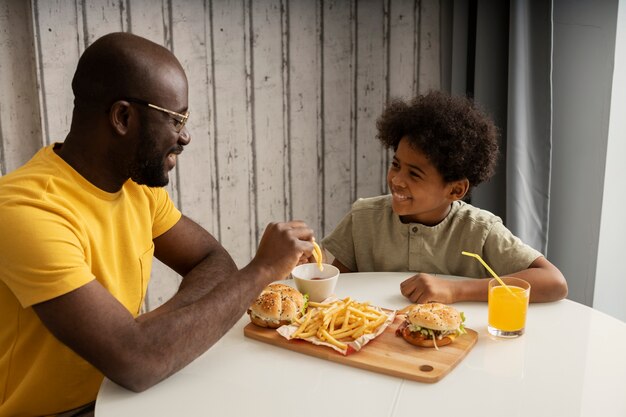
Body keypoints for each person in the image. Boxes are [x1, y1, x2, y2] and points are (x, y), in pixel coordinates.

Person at [0, 32, 315, 417]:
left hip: (126, 394)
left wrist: (155, 331)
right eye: (176, 119)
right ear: (123, 117)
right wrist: (263, 270)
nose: (185, 136)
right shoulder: (25, 210)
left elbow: (212, 259)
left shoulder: (136, 189)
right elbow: (137, 362)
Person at [321, 91, 568, 305]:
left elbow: (554, 282)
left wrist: (455, 290)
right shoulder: (363, 217)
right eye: (396, 164)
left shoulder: (479, 230)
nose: (397, 179)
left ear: (455, 190)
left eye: (414, 174)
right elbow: (339, 289)